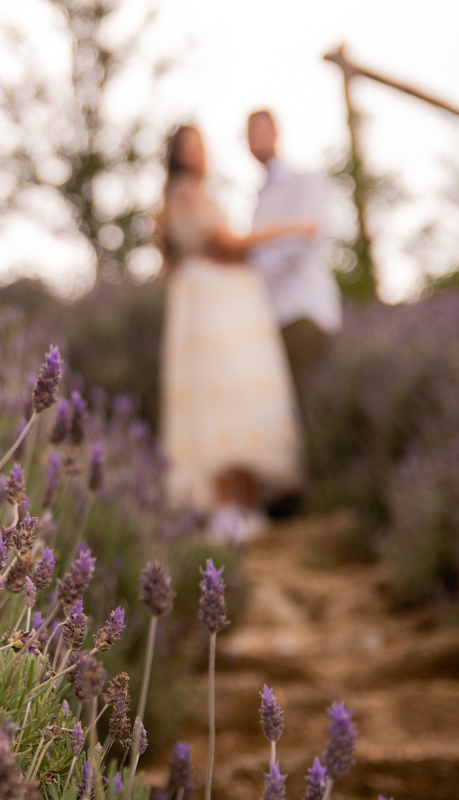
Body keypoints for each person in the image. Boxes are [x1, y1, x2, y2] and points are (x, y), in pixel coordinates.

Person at [157, 125, 311, 541]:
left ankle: (247, 507)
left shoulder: (196, 195)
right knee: (222, 398)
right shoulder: (185, 193)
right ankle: (229, 507)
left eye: (201, 145)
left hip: (230, 303)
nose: (200, 153)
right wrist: (293, 227)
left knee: (243, 398)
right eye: (191, 147)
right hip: (215, 306)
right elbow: (230, 242)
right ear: (177, 155)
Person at [246, 110, 342, 414]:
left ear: (276, 132)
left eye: (259, 130)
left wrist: (255, 265)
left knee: (312, 406)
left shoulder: (305, 182)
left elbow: (302, 242)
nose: (254, 139)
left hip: (303, 311)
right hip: (272, 319)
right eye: (249, 134)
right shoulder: (259, 198)